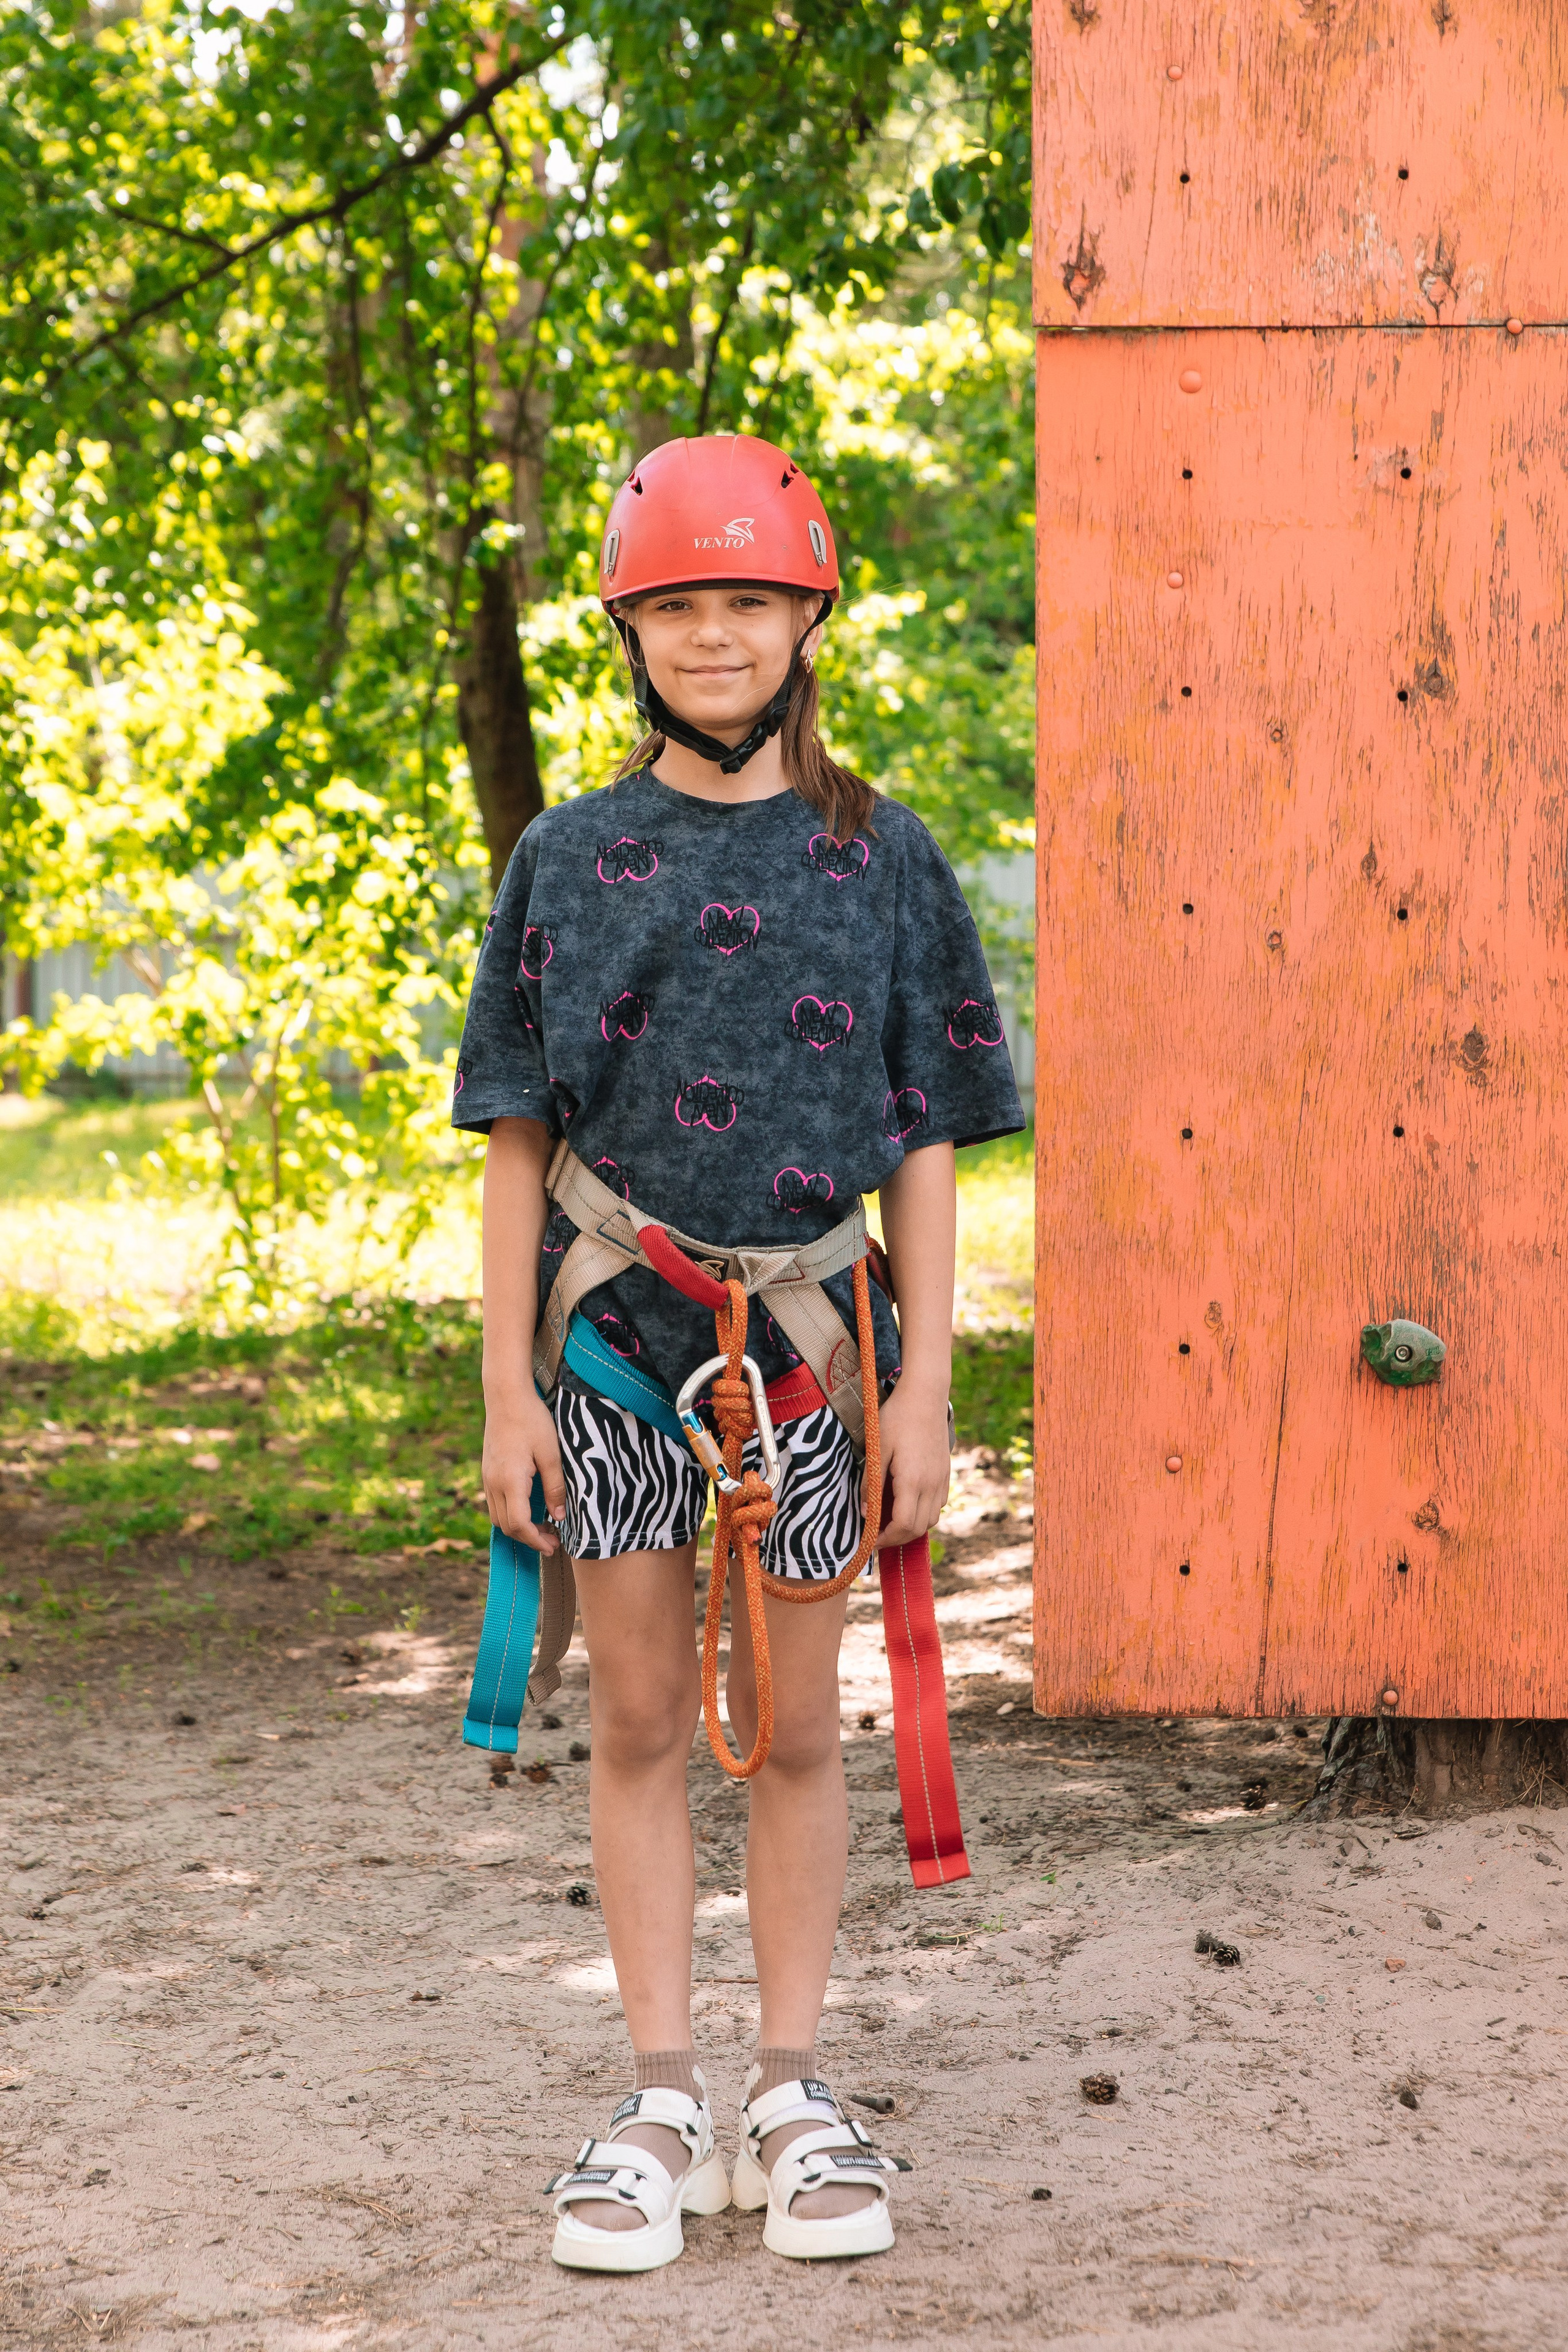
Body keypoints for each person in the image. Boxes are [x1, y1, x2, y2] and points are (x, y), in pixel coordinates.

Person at [451, 433, 1023, 2271]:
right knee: (634, 1720)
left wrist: (927, 1387)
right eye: (680, 604)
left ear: (807, 621)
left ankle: (789, 2090)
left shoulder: (884, 856)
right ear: (630, 630)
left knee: (790, 1729)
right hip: (616, 1346)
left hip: (815, 1357)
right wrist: (507, 1392)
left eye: (750, 602)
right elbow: (518, 1138)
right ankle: (660, 2101)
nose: (716, 634)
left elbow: (928, 1136)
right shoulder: (565, 856)